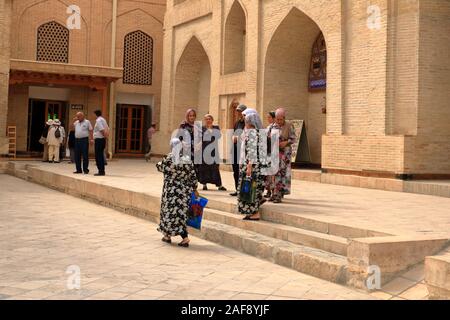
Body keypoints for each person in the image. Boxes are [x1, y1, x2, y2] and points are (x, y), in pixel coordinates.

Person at [157, 138, 199, 248]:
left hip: (171, 192)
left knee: (168, 213)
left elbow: (160, 167)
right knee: (181, 215)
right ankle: (171, 236)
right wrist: (194, 188)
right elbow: (193, 177)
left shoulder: (168, 159)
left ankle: (174, 236)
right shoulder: (187, 160)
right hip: (184, 193)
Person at [238, 112, 267, 221]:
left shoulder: (252, 133)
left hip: (252, 166)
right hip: (256, 165)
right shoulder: (257, 133)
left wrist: (249, 166)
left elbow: (252, 151)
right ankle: (252, 212)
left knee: (251, 189)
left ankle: (255, 213)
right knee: (254, 188)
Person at [269, 108, 296, 203]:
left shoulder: (289, 126)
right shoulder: (272, 126)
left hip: (284, 155)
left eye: (281, 119)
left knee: (282, 175)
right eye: (277, 119)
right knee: (274, 174)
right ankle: (274, 193)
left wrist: (285, 143)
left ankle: (279, 194)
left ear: (284, 118)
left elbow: (293, 139)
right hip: (275, 154)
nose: (279, 121)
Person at [197, 114, 227, 191]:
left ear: (212, 120)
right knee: (204, 167)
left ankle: (219, 185)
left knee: (215, 167)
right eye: (206, 119)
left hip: (214, 151)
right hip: (204, 151)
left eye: (209, 119)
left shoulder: (216, 128)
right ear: (204, 120)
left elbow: (219, 135)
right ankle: (204, 185)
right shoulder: (202, 128)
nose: (208, 120)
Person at [230, 104, 247, 196]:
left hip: (243, 151)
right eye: (238, 111)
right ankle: (237, 189)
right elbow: (233, 133)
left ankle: (244, 190)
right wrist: (233, 137)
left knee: (243, 171)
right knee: (235, 171)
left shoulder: (248, 123)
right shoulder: (237, 123)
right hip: (235, 149)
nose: (239, 113)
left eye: (241, 111)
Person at [93, 110, 109, 176]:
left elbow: (101, 129)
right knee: (100, 155)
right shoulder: (103, 119)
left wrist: (104, 136)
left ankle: (101, 171)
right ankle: (102, 170)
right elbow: (107, 128)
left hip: (99, 139)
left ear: (95, 114)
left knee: (98, 155)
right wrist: (105, 137)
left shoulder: (98, 120)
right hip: (102, 139)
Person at [264, 111, 276, 199]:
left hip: (273, 152)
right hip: (267, 151)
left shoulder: (276, 127)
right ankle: (268, 191)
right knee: (267, 173)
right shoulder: (268, 127)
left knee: (272, 174)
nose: (268, 119)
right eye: (267, 117)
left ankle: (273, 192)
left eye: (269, 117)